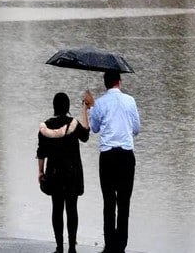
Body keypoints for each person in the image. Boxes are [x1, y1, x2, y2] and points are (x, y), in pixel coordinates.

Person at [83, 71, 140, 253]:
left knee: (109, 201)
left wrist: (91, 107)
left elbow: (94, 128)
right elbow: (137, 129)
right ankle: (121, 246)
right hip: (126, 155)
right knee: (124, 202)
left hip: (107, 157)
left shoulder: (99, 103)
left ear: (105, 83)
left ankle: (109, 244)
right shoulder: (130, 101)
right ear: (119, 82)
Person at [37, 92, 91, 253]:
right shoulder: (73, 124)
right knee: (72, 209)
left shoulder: (45, 127)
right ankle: (72, 247)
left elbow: (41, 152)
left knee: (57, 209)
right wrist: (85, 110)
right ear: (67, 107)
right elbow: (86, 136)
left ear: (54, 106)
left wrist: (40, 172)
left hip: (54, 174)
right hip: (72, 174)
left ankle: (59, 247)